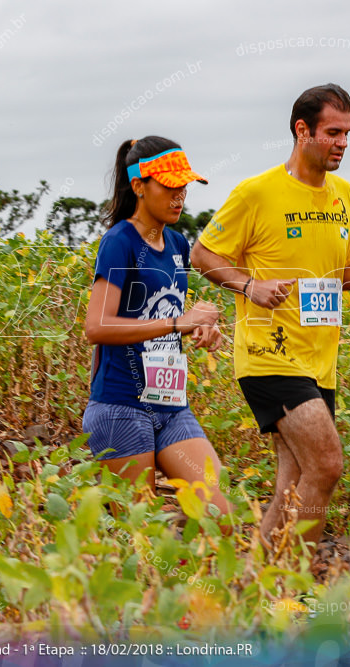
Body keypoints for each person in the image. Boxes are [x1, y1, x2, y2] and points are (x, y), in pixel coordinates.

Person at [191, 84, 350, 547]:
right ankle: (296, 588)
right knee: (326, 465)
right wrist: (248, 285)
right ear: (303, 131)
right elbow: (203, 254)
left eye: (347, 133)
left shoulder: (344, 195)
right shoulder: (257, 193)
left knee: (295, 479)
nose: (342, 143)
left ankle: (259, 589)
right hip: (269, 356)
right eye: (333, 132)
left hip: (320, 361)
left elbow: (342, 276)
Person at [82, 136, 230, 519]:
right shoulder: (119, 242)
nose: (179, 195)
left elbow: (166, 314)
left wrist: (200, 329)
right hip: (120, 407)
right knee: (139, 535)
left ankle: (190, 576)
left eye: (184, 186)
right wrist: (179, 321)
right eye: (169, 186)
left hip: (170, 405)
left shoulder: (178, 244)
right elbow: (96, 326)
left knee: (220, 516)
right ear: (138, 187)